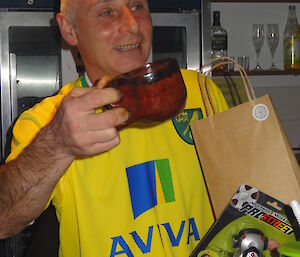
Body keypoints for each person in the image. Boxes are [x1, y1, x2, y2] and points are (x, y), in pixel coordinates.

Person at [0, 0, 229, 256]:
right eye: (106, 12)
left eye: (138, 7)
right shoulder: (46, 121)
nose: (132, 25)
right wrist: (58, 143)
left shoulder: (200, 90)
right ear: (69, 29)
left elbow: (238, 190)